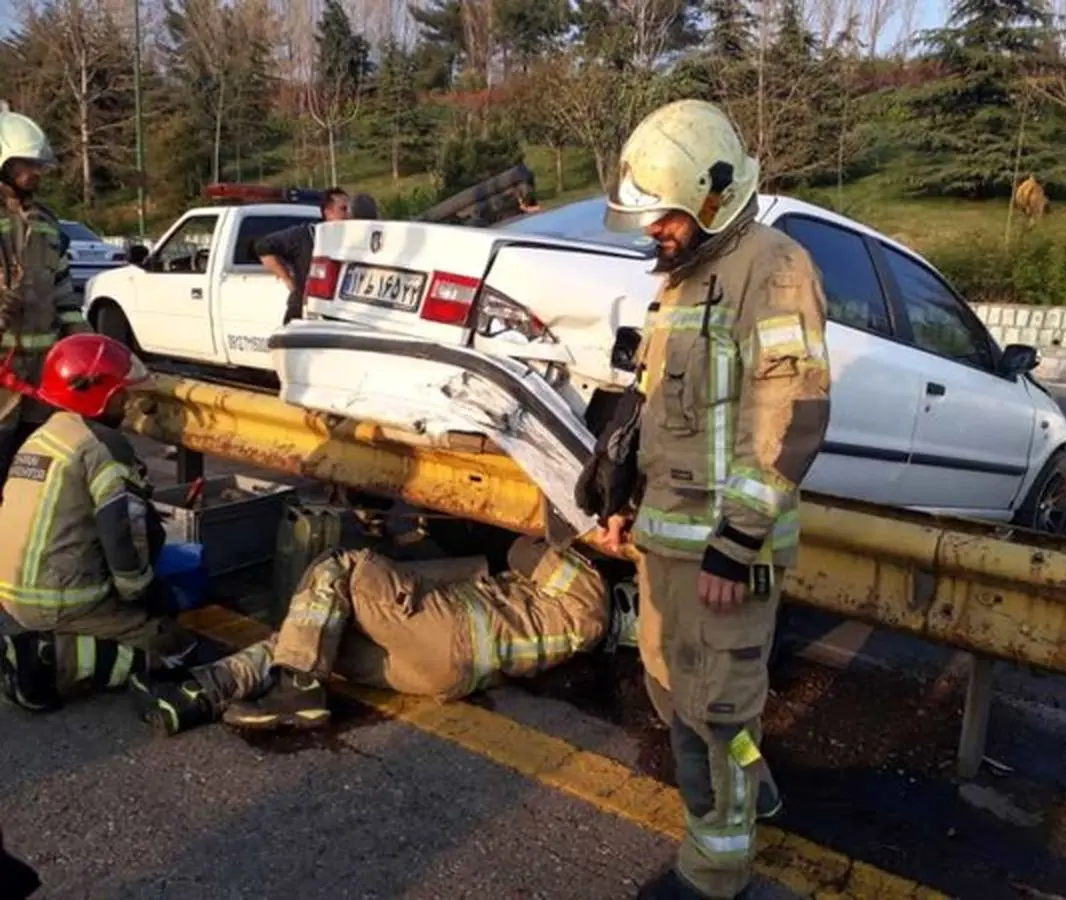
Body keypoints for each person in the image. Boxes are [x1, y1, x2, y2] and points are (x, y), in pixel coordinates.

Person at [579, 99, 832, 900]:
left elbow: (792, 411)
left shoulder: (775, 268)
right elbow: (661, 410)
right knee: (668, 692)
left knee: (717, 713)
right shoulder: (683, 288)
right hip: (666, 542)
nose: (654, 233)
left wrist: (738, 539)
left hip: (724, 553)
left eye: (666, 217)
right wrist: (623, 495)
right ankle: (751, 794)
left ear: (713, 198)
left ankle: (715, 872)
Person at [130, 535, 641, 736]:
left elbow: (522, 551)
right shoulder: (580, 628)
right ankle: (206, 690)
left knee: (340, 567)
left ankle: (298, 690)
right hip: (438, 672)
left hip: (450, 631)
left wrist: (573, 537)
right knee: (316, 634)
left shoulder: (589, 591)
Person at [0, 334, 195, 713]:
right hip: (59, 598)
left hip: (12, 589)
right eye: (121, 394)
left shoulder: (47, 433)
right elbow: (121, 531)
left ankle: (54, 641)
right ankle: (45, 661)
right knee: (175, 648)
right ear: (97, 393)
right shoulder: (103, 445)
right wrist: (142, 592)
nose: (127, 404)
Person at [0, 108, 92, 492]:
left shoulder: (45, 222)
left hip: (42, 378)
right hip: (2, 376)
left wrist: (86, 339)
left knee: (34, 473)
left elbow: (62, 288)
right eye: (26, 164)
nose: (35, 172)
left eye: (38, 164)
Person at [254, 187, 351, 324]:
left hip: (335, 312)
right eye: (343, 209)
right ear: (327, 212)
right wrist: (287, 279)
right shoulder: (305, 235)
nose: (349, 214)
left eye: (350, 209)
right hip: (302, 311)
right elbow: (263, 247)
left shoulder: (352, 240)